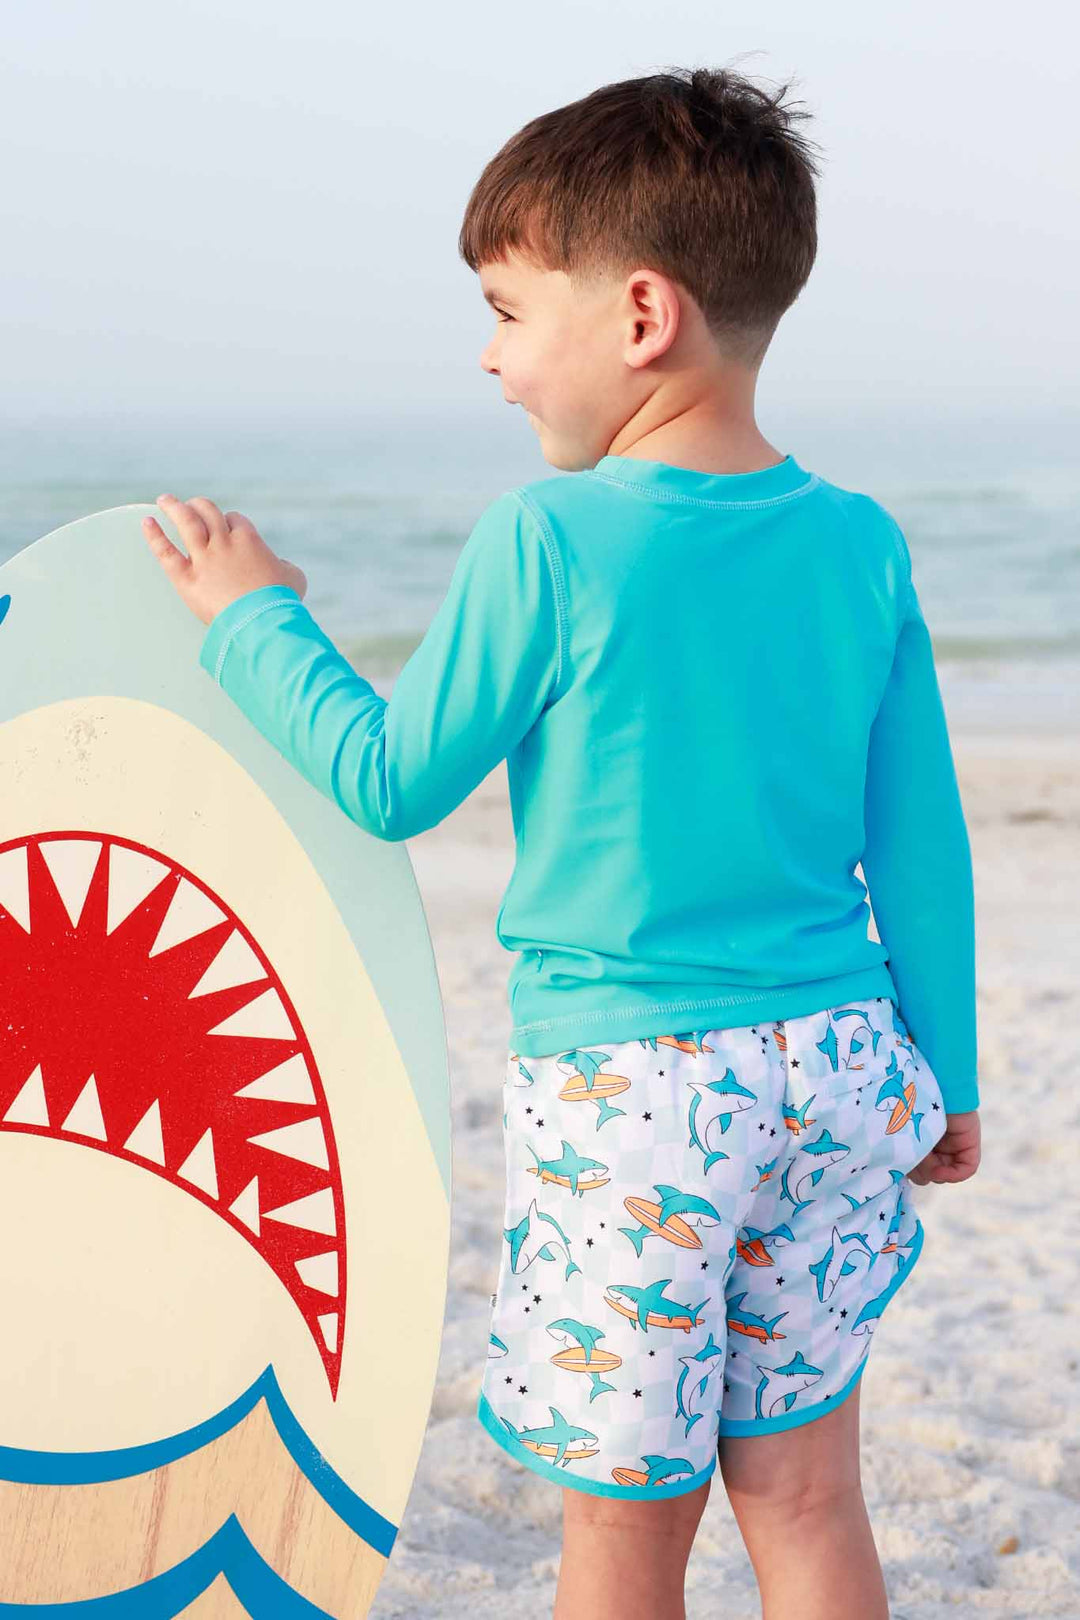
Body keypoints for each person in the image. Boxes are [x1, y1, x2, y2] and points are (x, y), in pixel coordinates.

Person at [143, 63, 981, 1620]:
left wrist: (255, 620)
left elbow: (391, 777)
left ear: (642, 316)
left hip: (639, 1096)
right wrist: (957, 1074)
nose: (493, 355)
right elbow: (919, 841)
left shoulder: (551, 537)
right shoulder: (859, 540)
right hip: (846, 1067)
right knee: (805, 1493)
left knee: (621, 1533)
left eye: (512, 310)